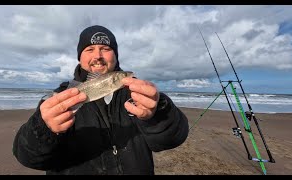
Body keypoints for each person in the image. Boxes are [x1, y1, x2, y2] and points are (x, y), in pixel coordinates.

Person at [12, 25, 189, 175]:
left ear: (116, 56)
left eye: (105, 48)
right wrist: (44, 129)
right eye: (89, 49)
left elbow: (171, 139)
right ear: (80, 57)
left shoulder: (137, 95)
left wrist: (158, 112)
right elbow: (28, 157)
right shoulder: (59, 98)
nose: (97, 55)